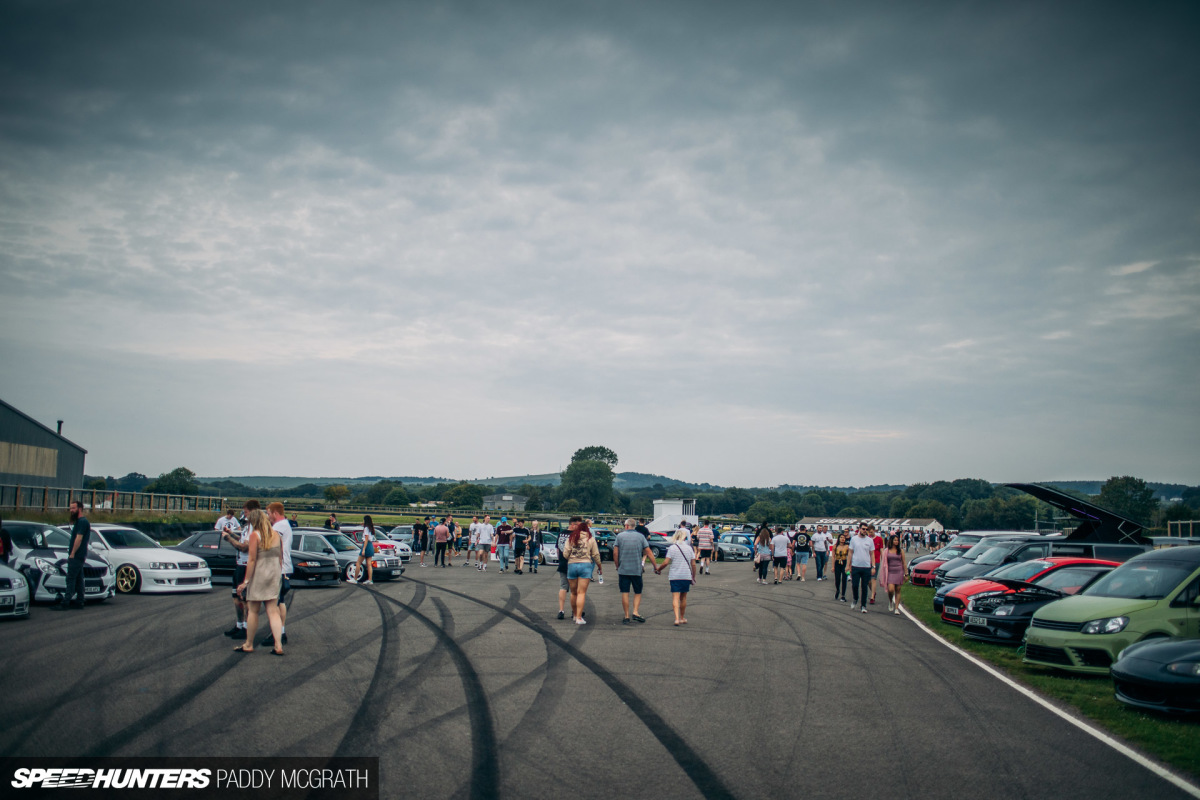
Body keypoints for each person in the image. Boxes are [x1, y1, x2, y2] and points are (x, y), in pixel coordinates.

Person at [234, 510, 284, 655]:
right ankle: (278, 645)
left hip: (259, 575)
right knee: (273, 611)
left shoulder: (255, 535)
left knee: (253, 610)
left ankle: (249, 644)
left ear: (254, 522)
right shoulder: (277, 535)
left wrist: (246, 581)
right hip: (274, 574)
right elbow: (281, 557)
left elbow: (252, 560)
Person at [222, 500, 257, 638]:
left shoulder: (253, 527)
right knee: (236, 598)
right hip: (239, 564)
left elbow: (244, 547)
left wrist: (228, 539)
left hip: (245, 565)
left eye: (246, 512)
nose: (244, 515)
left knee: (244, 599)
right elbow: (242, 540)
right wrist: (231, 534)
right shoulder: (246, 527)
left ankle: (246, 628)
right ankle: (239, 624)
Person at [51, 500, 91, 610]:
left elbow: (79, 538)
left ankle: (65, 602)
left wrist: (72, 553)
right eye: (70, 508)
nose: (71, 510)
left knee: (71, 578)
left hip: (77, 555)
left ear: (80, 509)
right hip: (80, 555)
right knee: (79, 579)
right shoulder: (79, 522)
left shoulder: (82, 522)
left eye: (73, 508)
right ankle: (80, 601)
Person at [613, 518, 653, 624]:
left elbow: (615, 553)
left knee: (625, 592)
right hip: (636, 569)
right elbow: (648, 551)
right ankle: (635, 612)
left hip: (623, 569)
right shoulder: (641, 537)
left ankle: (626, 615)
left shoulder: (619, 536)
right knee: (638, 592)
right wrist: (655, 566)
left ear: (626, 526)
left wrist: (617, 565)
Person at [265, 502, 294, 646]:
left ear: (275, 513)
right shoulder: (285, 525)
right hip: (284, 567)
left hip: (279, 568)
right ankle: (281, 632)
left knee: (274, 603)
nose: (268, 516)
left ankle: (278, 634)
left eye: (269, 513)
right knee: (280, 601)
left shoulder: (278, 527)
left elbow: (269, 545)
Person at [562, 520, 602, 625]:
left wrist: (571, 557)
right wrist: (599, 566)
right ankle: (579, 617)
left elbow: (565, 553)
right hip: (585, 565)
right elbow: (595, 554)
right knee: (581, 593)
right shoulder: (590, 539)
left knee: (573, 593)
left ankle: (575, 615)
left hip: (572, 565)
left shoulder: (571, 538)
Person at [655, 528, 696, 625]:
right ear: (685, 537)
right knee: (683, 597)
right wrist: (693, 576)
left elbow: (665, 562)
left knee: (675, 597)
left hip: (675, 575)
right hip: (686, 575)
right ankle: (682, 617)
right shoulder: (689, 548)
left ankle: (676, 619)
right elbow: (693, 564)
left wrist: (659, 569)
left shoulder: (672, 548)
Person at [849, 525, 874, 613]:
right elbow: (850, 552)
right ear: (859, 529)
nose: (865, 530)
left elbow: (872, 554)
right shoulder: (854, 539)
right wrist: (848, 565)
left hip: (866, 567)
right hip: (855, 566)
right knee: (855, 585)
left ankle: (863, 605)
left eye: (866, 529)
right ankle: (855, 598)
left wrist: (873, 566)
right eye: (863, 529)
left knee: (864, 587)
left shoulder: (870, 540)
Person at [879, 533, 907, 614]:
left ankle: (896, 608)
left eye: (897, 540)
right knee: (891, 589)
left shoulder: (900, 551)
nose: (896, 542)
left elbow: (904, 562)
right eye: (895, 540)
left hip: (899, 571)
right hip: (890, 571)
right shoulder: (887, 551)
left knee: (898, 589)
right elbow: (884, 562)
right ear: (891, 541)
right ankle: (891, 601)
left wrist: (906, 573)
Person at [555, 519, 577, 619]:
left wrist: (560, 560)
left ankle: (561, 610)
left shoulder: (561, 534)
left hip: (562, 563)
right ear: (572, 524)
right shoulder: (575, 535)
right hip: (572, 563)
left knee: (563, 587)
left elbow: (557, 549)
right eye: (576, 525)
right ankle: (574, 611)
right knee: (574, 589)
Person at [353, 515, 376, 585]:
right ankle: (370, 580)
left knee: (358, 563)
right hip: (370, 545)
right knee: (369, 564)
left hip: (366, 545)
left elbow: (366, 539)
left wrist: (363, 549)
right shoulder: (371, 528)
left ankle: (355, 579)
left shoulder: (366, 528)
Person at [831, 533, 850, 602]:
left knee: (844, 579)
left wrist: (849, 566)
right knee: (837, 579)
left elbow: (849, 556)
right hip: (837, 563)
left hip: (844, 563)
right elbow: (833, 557)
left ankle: (843, 595)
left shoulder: (847, 546)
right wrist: (833, 566)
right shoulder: (835, 546)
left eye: (844, 538)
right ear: (839, 538)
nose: (842, 539)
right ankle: (837, 590)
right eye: (841, 537)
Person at [869, 525, 884, 605]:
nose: (870, 533)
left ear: (874, 531)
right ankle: (873, 591)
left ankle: (872, 597)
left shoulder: (879, 539)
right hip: (867, 561)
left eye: (871, 532)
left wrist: (883, 560)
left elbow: (881, 550)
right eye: (869, 532)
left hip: (876, 560)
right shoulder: (867, 539)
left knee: (873, 578)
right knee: (868, 581)